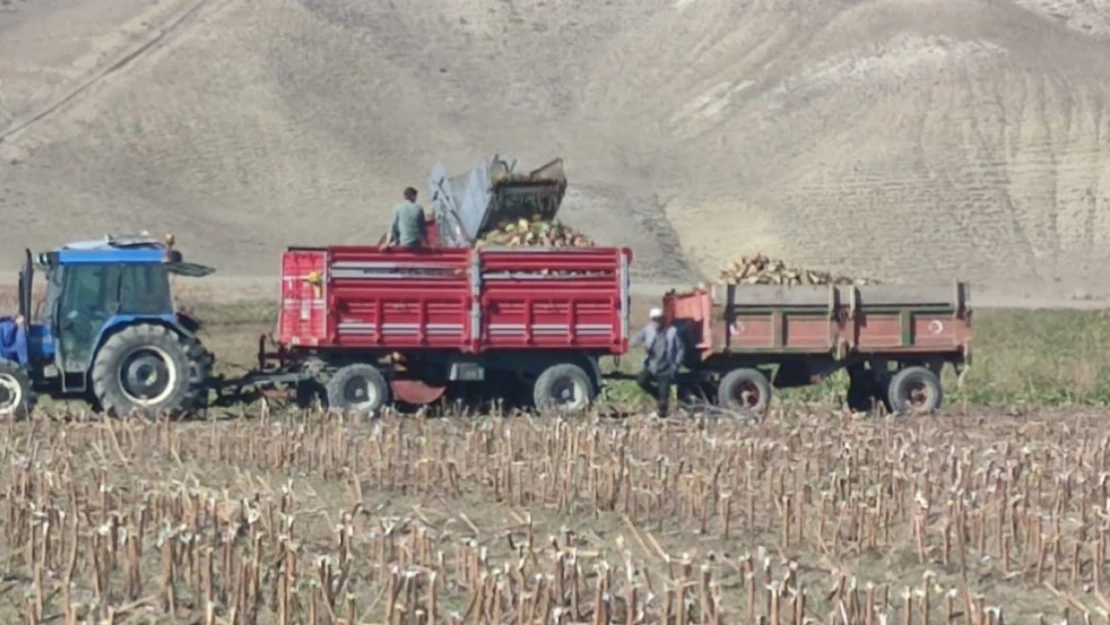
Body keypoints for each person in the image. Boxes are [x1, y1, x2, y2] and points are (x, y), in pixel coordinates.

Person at [632, 307, 685, 418]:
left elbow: (680, 349)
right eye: (654, 319)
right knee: (641, 380)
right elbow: (635, 341)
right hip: (652, 366)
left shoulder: (672, 331)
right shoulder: (648, 330)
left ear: (663, 319)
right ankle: (658, 394)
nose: (657, 322)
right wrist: (643, 345)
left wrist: (676, 365)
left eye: (659, 319)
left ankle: (662, 414)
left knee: (663, 404)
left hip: (666, 368)